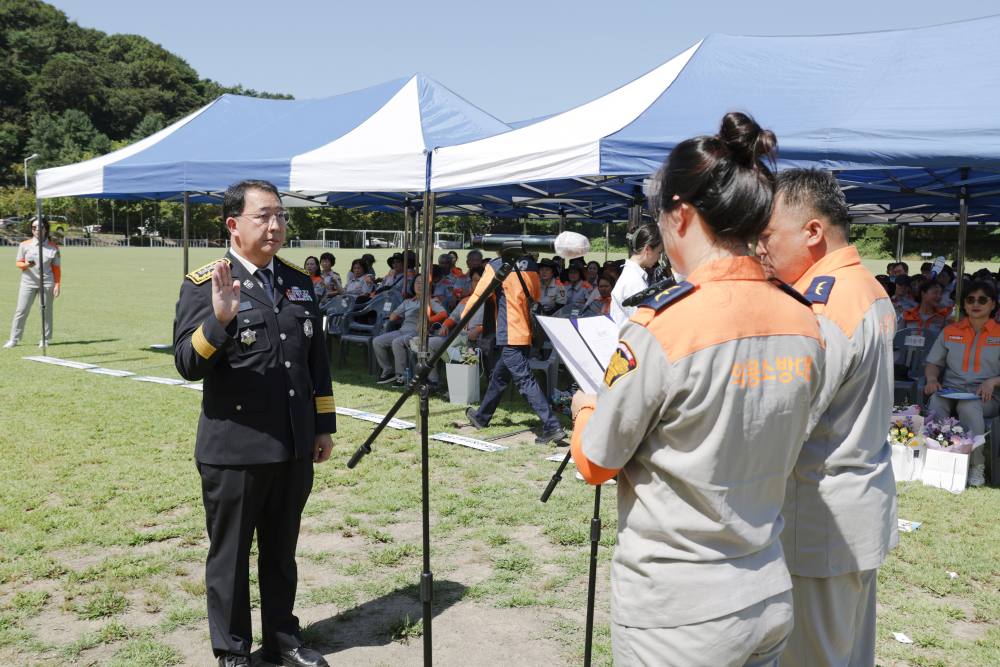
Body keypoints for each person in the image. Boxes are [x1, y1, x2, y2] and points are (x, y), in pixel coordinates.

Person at [571, 112, 824, 667]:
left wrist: (586, 405)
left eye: (657, 216)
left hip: (678, 611)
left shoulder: (663, 325)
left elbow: (595, 462)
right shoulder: (804, 320)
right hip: (767, 588)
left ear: (680, 214)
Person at [173, 179, 334, 667]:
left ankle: (283, 637)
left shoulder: (298, 282)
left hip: (292, 443)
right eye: (263, 216)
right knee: (231, 557)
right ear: (233, 224)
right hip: (236, 448)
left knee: (282, 551)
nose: (275, 225)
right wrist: (219, 323)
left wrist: (322, 426)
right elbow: (186, 362)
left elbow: (315, 361)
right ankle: (232, 650)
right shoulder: (206, 285)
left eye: (281, 216)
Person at [756, 167, 898, 667]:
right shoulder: (866, 287)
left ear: (813, 231)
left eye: (767, 234)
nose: (758, 247)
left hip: (820, 518)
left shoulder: (823, 304)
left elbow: (789, 419)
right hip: (857, 506)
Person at [465, 252, 566, 444]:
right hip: (525, 330)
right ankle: (481, 417)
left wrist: (464, 319)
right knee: (499, 377)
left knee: (525, 381)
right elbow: (535, 296)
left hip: (509, 332)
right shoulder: (531, 265)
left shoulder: (495, 265)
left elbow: (479, 294)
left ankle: (552, 426)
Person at [924, 280, 1000, 487]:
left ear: (993, 304)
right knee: (936, 403)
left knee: (969, 405)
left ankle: (976, 467)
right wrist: (932, 380)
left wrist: (993, 380)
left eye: (983, 299)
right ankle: (939, 460)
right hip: (950, 391)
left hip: (987, 396)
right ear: (964, 304)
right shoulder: (950, 331)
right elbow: (933, 363)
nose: (976, 303)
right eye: (970, 299)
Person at [373, 274, 447, 387]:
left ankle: (401, 376)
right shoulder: (408, 302)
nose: (420, 286)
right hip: (403, 330)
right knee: (377, 341)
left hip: (418, 332)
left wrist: (426, 321)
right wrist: (393, 316)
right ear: (413, 285)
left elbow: (443, 314)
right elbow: (396, 313)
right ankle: (388, 371)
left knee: (397, 342)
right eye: (417, 282)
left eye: (423, 283)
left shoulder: (432, 301)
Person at [5, 217, 60, 349]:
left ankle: (45, 339)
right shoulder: (24, 245)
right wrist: (25, 265)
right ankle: (13, 339)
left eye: (40, 227)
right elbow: (18, 262)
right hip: (28, 282)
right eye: (33, 227)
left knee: (46, 311)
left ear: (45, 229)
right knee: (21, 310)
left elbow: (56, 268)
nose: (36, 229)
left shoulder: (53, 247)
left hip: (47, 283)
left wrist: (57, 284)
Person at [425, 266, 486, 382]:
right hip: (458, 337)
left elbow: (497, 322)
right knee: (428, 343)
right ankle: (434, 382)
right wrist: (445, 325)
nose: (477, 283)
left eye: (480, 280)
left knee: (455, 350)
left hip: (476, 338)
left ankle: (458, 385)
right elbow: (453, 317)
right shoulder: (465, 300)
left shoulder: (492, 301)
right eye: (474, 280)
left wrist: (478, 329)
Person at [609, 223, 664, 326]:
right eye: (659, 252)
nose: (659, 258)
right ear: (647, 249)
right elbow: (641, 323)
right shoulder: (634, 280)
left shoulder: (632, 275)